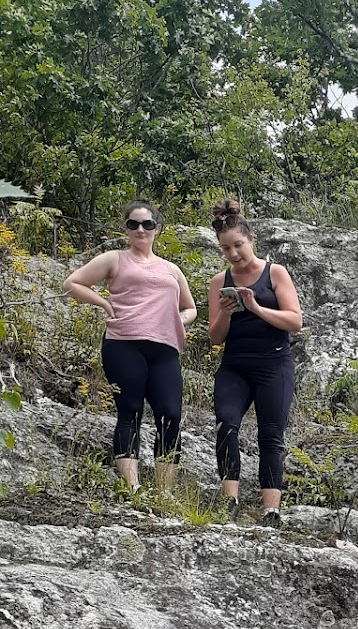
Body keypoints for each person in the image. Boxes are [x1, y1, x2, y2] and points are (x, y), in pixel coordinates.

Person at [63, 200, 196, 494]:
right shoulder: (115, 259)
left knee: (170, 414)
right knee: (130, 410)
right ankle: (132, 487)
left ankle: (164, 493)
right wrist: (103, 303)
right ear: (125, 229)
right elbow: (72, 283)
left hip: (165, 348)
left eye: (147, 224)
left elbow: (190, 308)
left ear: (157, 229)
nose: (140, 230)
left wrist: (179, 318)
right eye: (133, 224)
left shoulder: (171, 269)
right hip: (123, 343)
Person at [207, 199, 302, 527]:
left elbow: (294, 321)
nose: (233, 254)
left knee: (270, 436)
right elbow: (215, 338)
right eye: (225, 249)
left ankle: (271, 512)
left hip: (274, 365)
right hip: (234, 365)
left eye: (238, 245)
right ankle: (229, 502)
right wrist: (225, 312)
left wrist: (257, 308)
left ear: (250, 240)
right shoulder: (219, 282)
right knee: (226, 425)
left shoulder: (274, 272)